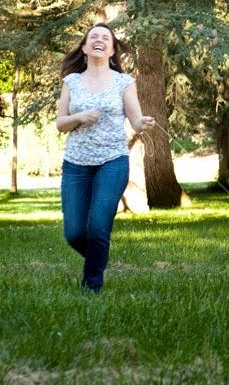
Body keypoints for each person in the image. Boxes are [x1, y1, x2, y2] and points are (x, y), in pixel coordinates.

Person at [56, 23, 155, 293]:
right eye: (94, 37)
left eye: (106, 38)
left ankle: (91, 287)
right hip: (76, 163)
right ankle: (99, 258)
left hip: (112, 161)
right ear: (85, 48)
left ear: (112, 50)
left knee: (99, 226)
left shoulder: (124, 82)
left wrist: (142, 122)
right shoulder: (71, 81)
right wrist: (79, 117)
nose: (99, 40)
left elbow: (134, 120)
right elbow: (60, 123)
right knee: (74, 233)